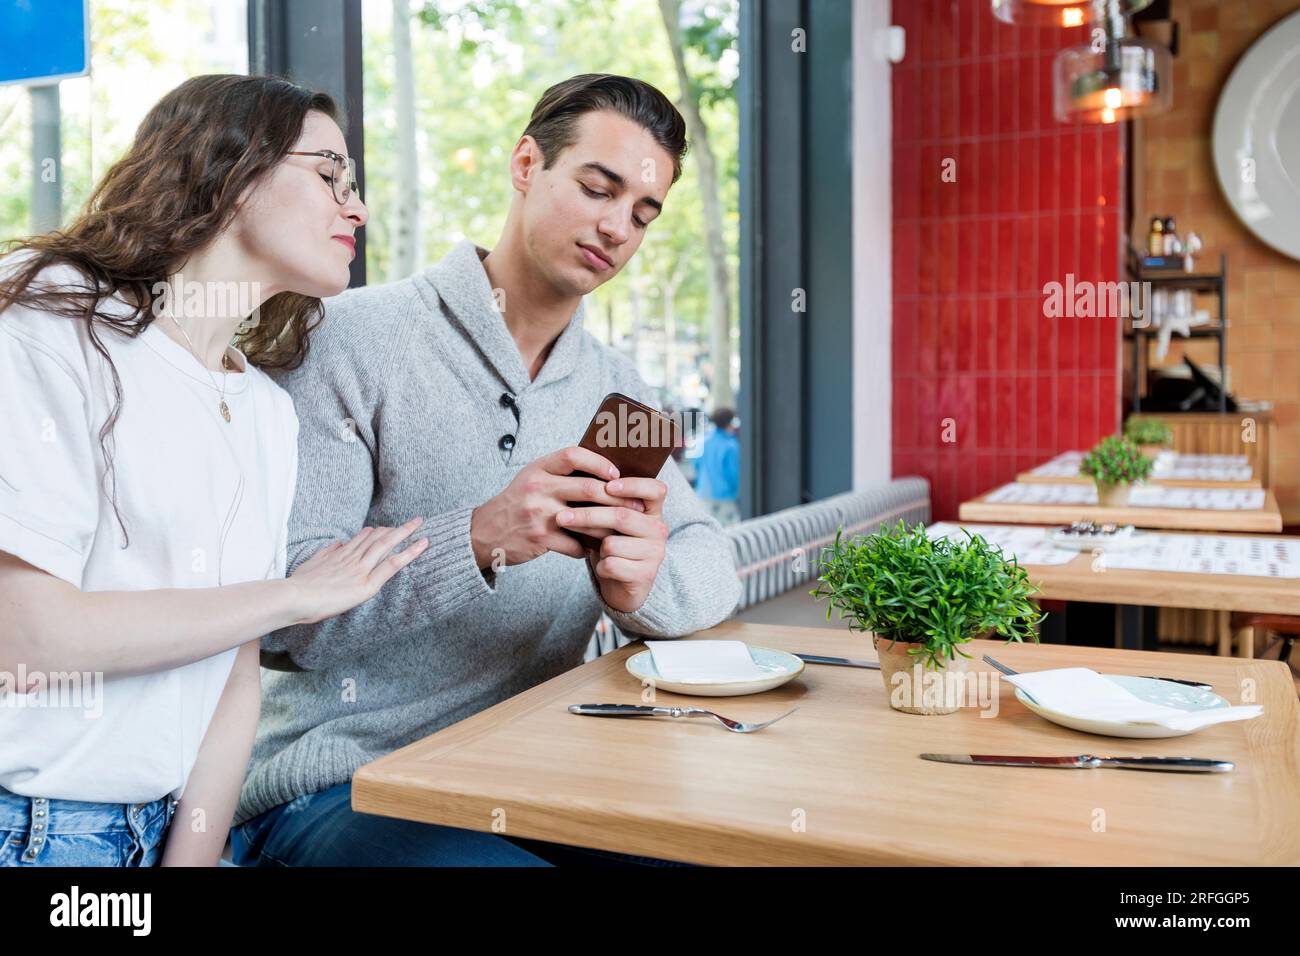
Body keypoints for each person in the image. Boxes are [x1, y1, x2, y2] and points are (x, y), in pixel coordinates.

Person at [232, 73, 742, 867]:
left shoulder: (617, 389)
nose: (616, 228)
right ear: (526, 164)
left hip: (530, 769)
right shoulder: (349, 340)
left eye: (642, 214)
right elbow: (287, 623)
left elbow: (713, 557)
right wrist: (477, 540)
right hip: (343, 782)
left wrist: (650, 586)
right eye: (596, 188)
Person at [0, 75, 427, 867]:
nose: (356, 208)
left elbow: (235, 679)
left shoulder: (263, 408)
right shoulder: (52, 324)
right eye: (329, 174)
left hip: (163, 834)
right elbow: (27, 637)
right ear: (230, 172)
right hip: (29, 831)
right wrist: (292, 595)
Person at [694, 407, 741, 525]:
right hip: (725, 497)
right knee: (730, 533)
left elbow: (696, 465)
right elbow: (733, 473)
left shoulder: (705, 441)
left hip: (703, 493)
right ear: (730, 423)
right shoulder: (731, 445)